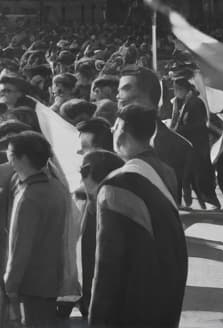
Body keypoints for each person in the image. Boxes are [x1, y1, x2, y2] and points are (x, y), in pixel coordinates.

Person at [90, 104, 188, 327]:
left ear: (122, 131)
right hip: (166, 290)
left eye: (115, 127)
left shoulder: (118, 184)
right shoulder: (165, 171)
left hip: (130, 303)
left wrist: (98, 317)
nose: (113, 132)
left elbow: (108, 261)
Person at [3, 131, 69, 326]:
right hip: (51, 279)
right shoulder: (55, 187)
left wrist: (10, 286)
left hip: (30, 285)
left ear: (22, 158)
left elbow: (20, 248)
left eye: (11, 153)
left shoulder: (28, 197)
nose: (9, 158)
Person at [117, 67, 190, 206]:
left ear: (146, 94)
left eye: (125, 89)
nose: (118, 96)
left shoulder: (179, 146)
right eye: (118, 90)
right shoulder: (107, 138)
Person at [77, 149, 125, 320]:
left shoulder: (112, 211)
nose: (81, 177)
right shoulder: (91, 203)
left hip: (106, 307)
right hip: (91, 302)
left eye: (83, 171)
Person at [169, 74, 219, 210]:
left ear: (184, 89)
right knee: (190, 176)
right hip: (190, 147)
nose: (175, 92)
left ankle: (209, 201)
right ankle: (199, 203)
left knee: (197, 175)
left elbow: (198, 125)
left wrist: (178, 130)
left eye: (177, 89)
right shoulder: (185, 102)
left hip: (197, 147)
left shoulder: (195, 103)